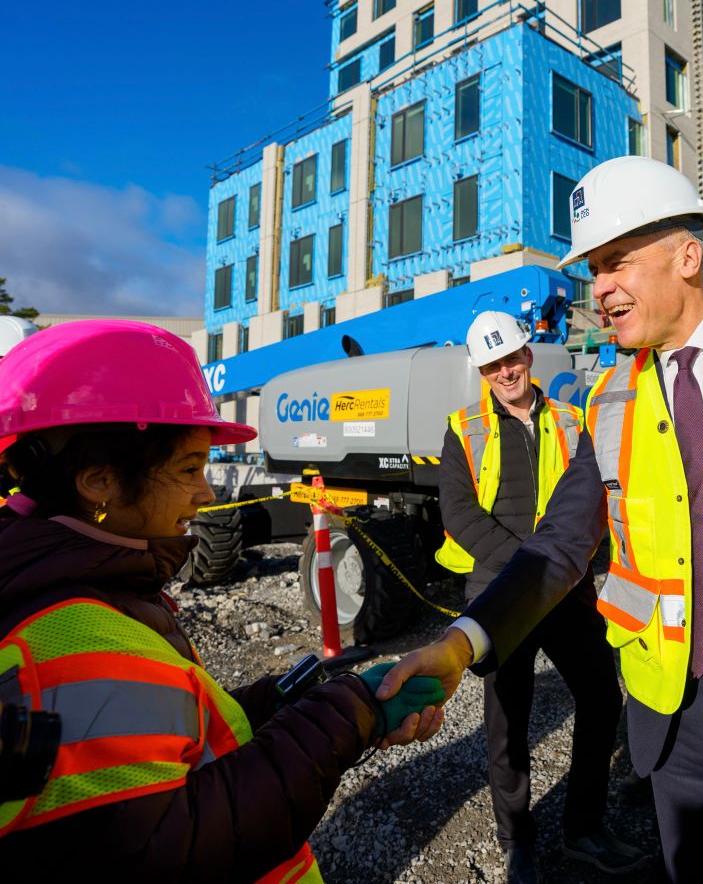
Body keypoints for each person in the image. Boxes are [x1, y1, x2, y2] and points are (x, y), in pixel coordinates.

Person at [377, 156, 703, 881]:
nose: (599, 289)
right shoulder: (609, 402)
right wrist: (459, 643)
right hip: (673, 707)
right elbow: (562, 538)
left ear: (689, 257)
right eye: (593, 271)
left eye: (616, 263)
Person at [0, 320, 443, 883]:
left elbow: (168, 736)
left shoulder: (79, 595)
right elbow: (179, 846)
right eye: (189, 468)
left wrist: (281, 702)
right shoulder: (69, 639)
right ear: (100, 481)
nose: (208, 491)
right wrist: (351, 712)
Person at [436, 310, 642, 880]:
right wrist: (528, 570)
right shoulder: (463, 427)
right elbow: (458, 513)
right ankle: (516, 840)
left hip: (566, 592)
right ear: (482, 369)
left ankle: (583, 828)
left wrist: (556, 573)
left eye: (512, 358)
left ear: (529, 354)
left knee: (602, 699)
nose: (506, 371)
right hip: (502, 593)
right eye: (493, 364)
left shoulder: (575, 421)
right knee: (508, 722)